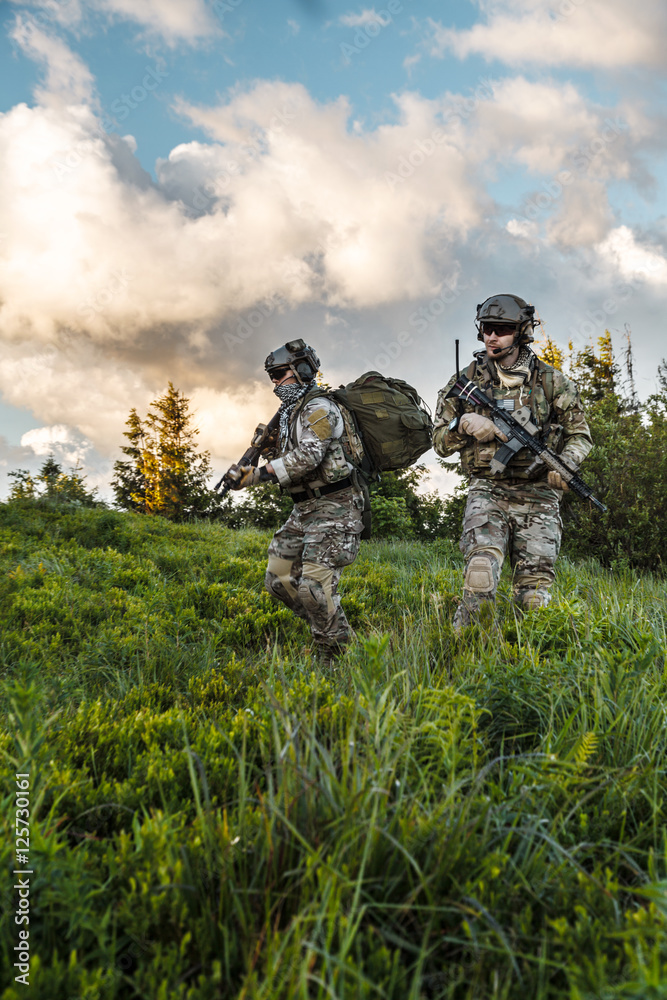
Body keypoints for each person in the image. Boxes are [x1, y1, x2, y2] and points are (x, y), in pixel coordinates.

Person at [432, 294, 593, 630]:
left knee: (533, 596)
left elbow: (581, 436)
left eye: (502, 329)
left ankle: (529, 665)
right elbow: (438, 443)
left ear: (521, 332)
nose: (492, 336)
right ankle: (469, 652)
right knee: (480, 573)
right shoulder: (465, 382)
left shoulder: (551, 381)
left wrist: (566, 465)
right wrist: (463, 425)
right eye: (488, 328)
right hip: (488, 489)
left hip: (539, 494)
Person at [235, 338, 366, 664]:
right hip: (304, 509)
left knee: (313, 588)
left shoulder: (321, 408)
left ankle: (334, 657)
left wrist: (257, 475)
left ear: (303, 370)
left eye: (280, 373)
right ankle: (333, 630)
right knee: (278, 581)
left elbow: (308, 458)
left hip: (336, 506)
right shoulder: (287, 417)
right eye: (271, 376)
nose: (275, 382)